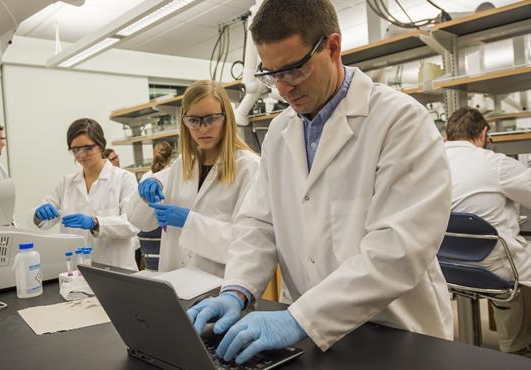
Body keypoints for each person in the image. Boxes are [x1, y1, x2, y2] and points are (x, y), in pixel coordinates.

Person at [186, 0, 453, 365]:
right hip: (315, 335)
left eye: (295, 70)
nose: (283, 88)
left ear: (332, 47)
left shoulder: (400, 121)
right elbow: (259, 224)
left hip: (396, 332)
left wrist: (299, 318)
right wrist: (236, 290)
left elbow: (398, 250)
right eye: (271, 74)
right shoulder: (280, 131)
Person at [127, 80, 260, 277]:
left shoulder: (250, 167)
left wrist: (189, 221)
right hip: (174, 281)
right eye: (194, 121)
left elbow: (248, 243)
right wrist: (144, 194)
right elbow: (141, 222)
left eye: (211, 119)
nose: (203, 129)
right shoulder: (182, 164)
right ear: (185, 122)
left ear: (226, 118)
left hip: (220, 288)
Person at [445, 107, 531, 356]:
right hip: (490, 270)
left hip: (445, 266)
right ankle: (516, 351)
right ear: (483, 133)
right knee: (511, 282)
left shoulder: (428, 161)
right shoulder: (494, 164)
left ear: (448, 136)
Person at [29, 118, 139, 270]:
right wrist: (38, 215)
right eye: (75, 150)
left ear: (100, 145)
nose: (81, 155)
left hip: (117, 270)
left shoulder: (124, 179)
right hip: (76, 271)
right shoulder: (67, 183)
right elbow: (39, 223)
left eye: (87, 148)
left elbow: (132, 224)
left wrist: (96, 223)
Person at [135, 140, 174, 269]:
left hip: (148, 241)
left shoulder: (146, 176)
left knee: (152, 272)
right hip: (167, 232)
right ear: (171, 156)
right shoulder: (173, 174)